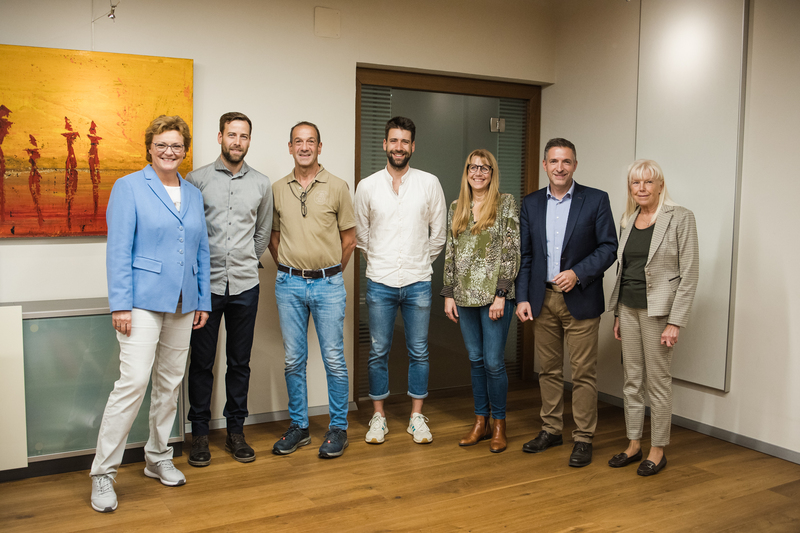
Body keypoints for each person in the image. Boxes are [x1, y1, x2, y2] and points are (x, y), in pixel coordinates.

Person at [90, 115, 211, 512]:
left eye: (176, 145)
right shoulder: (129, 188)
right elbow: (118, 249)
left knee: (170, 383)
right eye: (162, 145)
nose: (169, 152)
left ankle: (158, 458)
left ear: (184, 149)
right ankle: (103, 474)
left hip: (183, 302)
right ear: (150, 147)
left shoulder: (192, 193)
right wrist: (120, 304)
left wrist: (202, 300)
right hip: (140, 302)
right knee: (133, 383)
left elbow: (201, 252)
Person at [515, 138, 617, 467]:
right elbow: (526, 255)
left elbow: (608, 247)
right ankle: (552, 429)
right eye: (554, 161)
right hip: (541, 298)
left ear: (575, 165)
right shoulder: (530, 204)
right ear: (545, 165)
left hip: (581, 298)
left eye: (567, 161)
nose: (560, 167)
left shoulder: (596, 200)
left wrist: (577, 273)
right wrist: (522, 298)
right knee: (548, 370)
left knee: (584, 373)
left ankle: (584, 437)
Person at [185, 112, 273, 466]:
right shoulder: (196, 180)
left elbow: (263, 232)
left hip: (245, 286)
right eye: (232, 135)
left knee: (240, 363)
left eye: (244, 136)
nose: (238, 142)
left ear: (250, 140)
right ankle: (201, 436)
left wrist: (245, 260)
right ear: (219, 136)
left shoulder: (262, 184)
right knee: (202, 364)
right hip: (205, 288)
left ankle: (236, 431)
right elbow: (190, 234)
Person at [353, 116, 446, 445]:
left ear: (413, 146)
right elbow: (361, 237)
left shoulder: (429, 183)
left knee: (419, 351)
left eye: (405, 142)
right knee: (378, 350)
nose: (399, 147)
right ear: (385, 144)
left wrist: (418, 261)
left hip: (419, 281)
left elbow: (439, 235)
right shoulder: (367, 186)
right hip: (379, 281)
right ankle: (378, 417)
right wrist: (381, 262)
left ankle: (416, 417)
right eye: (394, 141)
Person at [268, 121, 357, 459]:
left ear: (320, 147)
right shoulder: (277, 188)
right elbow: (273, 238)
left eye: (310, 142)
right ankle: (299, 427)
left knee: (334, 359)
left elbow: (349, 241)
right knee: (294, 360)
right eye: (298, 142)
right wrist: (291, 270)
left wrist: (329, 273)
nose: (304, 147)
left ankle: (338, 428)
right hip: (288, 285)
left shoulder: (337, 187)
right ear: (290, 147)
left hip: (329, 284)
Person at [607, 159, 699, 476]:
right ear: (630, 188)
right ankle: (634, 444)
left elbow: (689, 276)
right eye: (636, 183)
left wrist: (675, 321)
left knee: (657, 382)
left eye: (648, 182)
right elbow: (625, 271)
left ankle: (657, 449)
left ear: (660, 185)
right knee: (632, 381)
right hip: (628, 309)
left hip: (659, 312)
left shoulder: (680, 218)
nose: (642, 188)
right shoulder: (628, 220)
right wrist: (618, 312)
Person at [442, 149, 520, 453]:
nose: (478, 173)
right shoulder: (456, 207)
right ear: (466, 172)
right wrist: (448, 294)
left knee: (493, 362)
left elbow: (511, 251)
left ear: (492, 172)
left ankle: (499, 424)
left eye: (484, 168)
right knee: (475, 360)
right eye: (472, 167)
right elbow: (450, 251)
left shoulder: (505, 203)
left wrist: (501, 294)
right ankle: (480, 421)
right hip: (463, 297)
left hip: (494, 298)